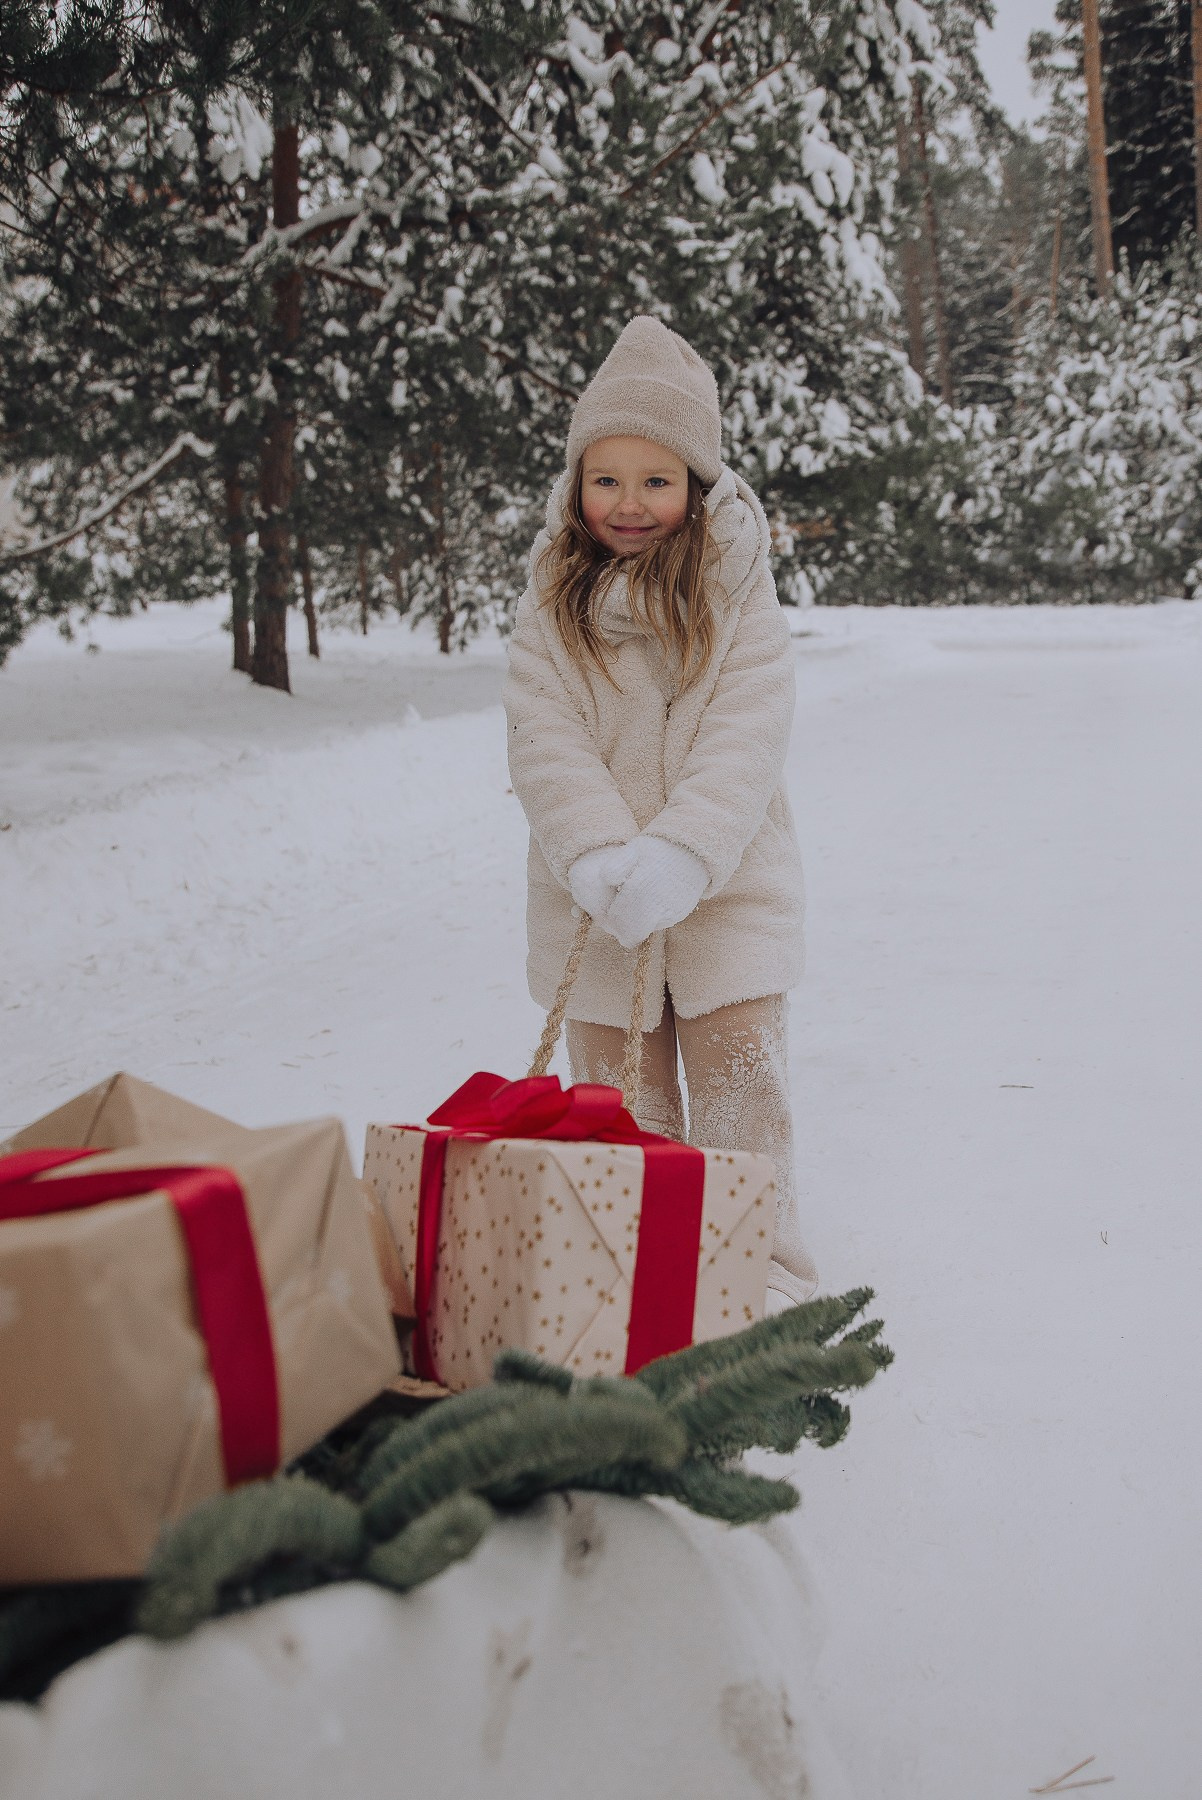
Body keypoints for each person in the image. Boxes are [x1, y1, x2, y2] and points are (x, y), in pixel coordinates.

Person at [503, 314, 816, 1310]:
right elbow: (540, 735)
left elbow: (745, 733)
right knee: (618, 1100)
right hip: (592, 905)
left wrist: (683, 852)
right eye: (606, 479)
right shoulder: (550, 599)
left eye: (654, 479)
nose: (628, 503)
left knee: (739, 1090)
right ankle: (634, 1278)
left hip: (726, 893)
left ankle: (756, 1271)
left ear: (694, 483)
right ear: (575, 485)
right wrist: (593, 851)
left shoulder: (736, 593)